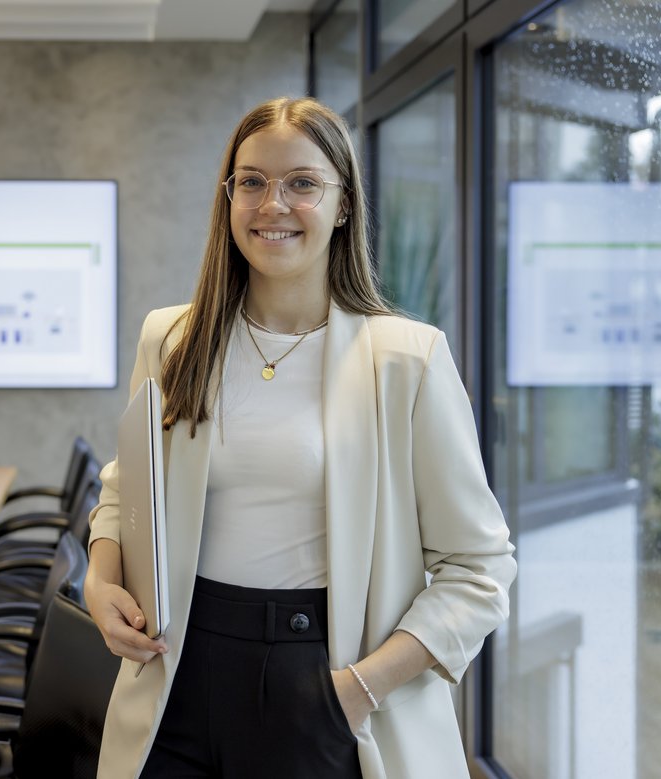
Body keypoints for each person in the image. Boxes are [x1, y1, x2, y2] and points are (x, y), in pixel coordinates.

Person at [83, 96, 517, 779]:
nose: (272, 205)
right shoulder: (172, 339)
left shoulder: (406, 360)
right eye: (251, 181)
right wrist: (99, 578)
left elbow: (480, 569)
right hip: (172, 672)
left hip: (320, 680)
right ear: (228, 197)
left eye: (302, 183)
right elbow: (124, 490)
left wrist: (358, 689)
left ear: (343, 205)